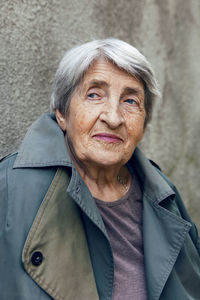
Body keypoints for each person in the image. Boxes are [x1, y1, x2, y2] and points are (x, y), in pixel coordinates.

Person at [0, 38, 199, 300]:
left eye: (130, 101)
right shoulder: (10, 187)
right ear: (62, 113)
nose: (113, 117)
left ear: (144, 123)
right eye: (94, 95)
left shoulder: (164, 196)